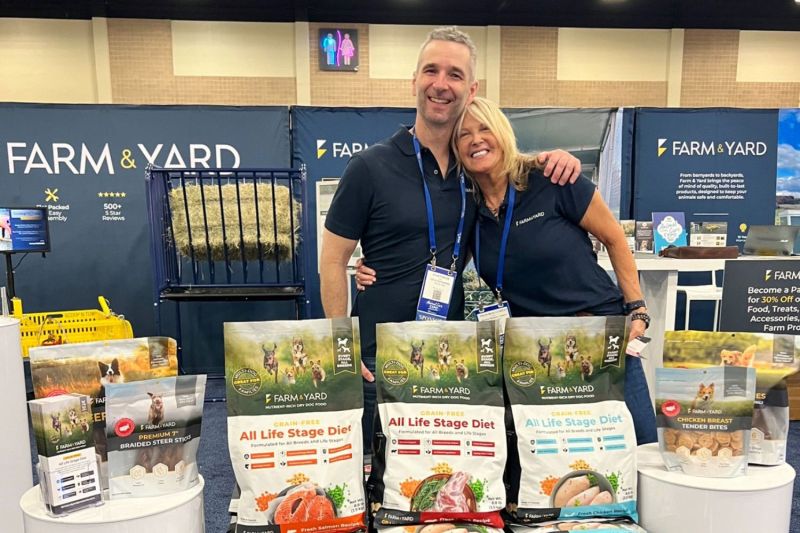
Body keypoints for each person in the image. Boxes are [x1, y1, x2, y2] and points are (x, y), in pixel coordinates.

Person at [320, 27, 581, 449]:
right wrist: (341, 349)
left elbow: (515, 170)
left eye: (455, 74)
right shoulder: (369, 167)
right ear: (414, 81)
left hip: (448, 359)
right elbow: (333, 259)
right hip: (376, 356)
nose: (441, 84)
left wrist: (555, 158)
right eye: (431, 71)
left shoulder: (475, 171)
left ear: (471, 88)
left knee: (434, 476)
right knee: (370, 480)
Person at [356, 97, 657, 444]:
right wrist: (374, 267)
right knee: (561, 455)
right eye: (464, 135)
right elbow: (439, 256)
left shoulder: (553, 179)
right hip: (537, 350)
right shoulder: (471, 209)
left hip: (598, 334)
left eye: (484, 128)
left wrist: (637, 307)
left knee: (638, 446)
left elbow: (615, 238)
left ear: (502, 132)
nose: (476, 139)